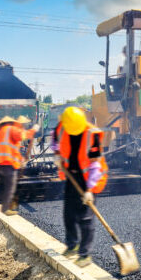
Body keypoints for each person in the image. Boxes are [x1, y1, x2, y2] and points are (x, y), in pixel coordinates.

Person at [53, 107, 108, 268]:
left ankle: (85, 254)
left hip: (90, 177)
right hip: (71, 174)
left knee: (85, 217)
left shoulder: (92, 134)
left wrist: (89, 190)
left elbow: (95, 165)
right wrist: (56, 154)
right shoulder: (62, 127)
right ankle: (72, 246)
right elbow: (55, 141)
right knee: (68, 213)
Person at [0, 116, 39, 214]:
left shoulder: (1, 132)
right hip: (8, 165)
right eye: (24, 125)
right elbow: (23, 136)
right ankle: (5, 209)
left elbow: (10, 149)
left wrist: (21, 159)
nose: (24, 126)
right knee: (10, 187)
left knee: (1, 186)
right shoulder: (12, 129)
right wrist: (33, 130)